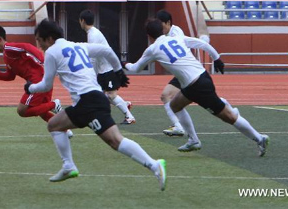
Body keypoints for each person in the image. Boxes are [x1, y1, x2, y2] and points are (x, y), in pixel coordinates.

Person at [27, 19, 166, 189]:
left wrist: (30, 87)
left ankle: (69, 166)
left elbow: (46, 85)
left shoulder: (52, 52)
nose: (39, 45)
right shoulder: (79, 46)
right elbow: (106, 50)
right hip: (95, 98)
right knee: (60, 126)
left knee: (58, 127)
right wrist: (118, 72)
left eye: (39, 40)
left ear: (49, 39)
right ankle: (153, 165)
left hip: (88, 102)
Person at [126, 19, 269, 156]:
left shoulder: (152, 49)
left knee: (229, 117)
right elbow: (201, 44)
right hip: (200, 78)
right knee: (175, 105)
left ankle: (259, 138)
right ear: (162, 30)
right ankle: (193, 140)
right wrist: (217, 58)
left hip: (197, 86)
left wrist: (123, 63)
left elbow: (135, 68)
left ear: (149, 35)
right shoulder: (177, 38)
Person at [0, 25, 73, 137]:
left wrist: (41, 60)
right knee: (41, 111)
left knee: (22, 110)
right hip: (41, 78)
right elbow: (10, 76)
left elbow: (26, 47)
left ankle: (54, 104)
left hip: (37, 80)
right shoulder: (6, 55)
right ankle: (65, 130)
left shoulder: (9, 48)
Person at [155, 10, 226, 136]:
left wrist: (216, 58)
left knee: (167, 96)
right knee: (171, 97)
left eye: (161, 24)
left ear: (168, 22)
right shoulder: (165, 34)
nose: (159, 27)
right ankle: (179, 126)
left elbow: (201, 43)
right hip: (183, 72)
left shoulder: (176, 33)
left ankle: (180, 127)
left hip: (187, 71)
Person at [79, 10, 136, 124]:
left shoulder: (93, 34)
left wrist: (92, 75)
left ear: (82, 21)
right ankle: (124, 105)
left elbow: (93, 58)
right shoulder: (92, 33)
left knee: (110, 95)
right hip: (103, 69)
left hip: (108, 69)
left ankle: (129, 117)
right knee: (99, 95)